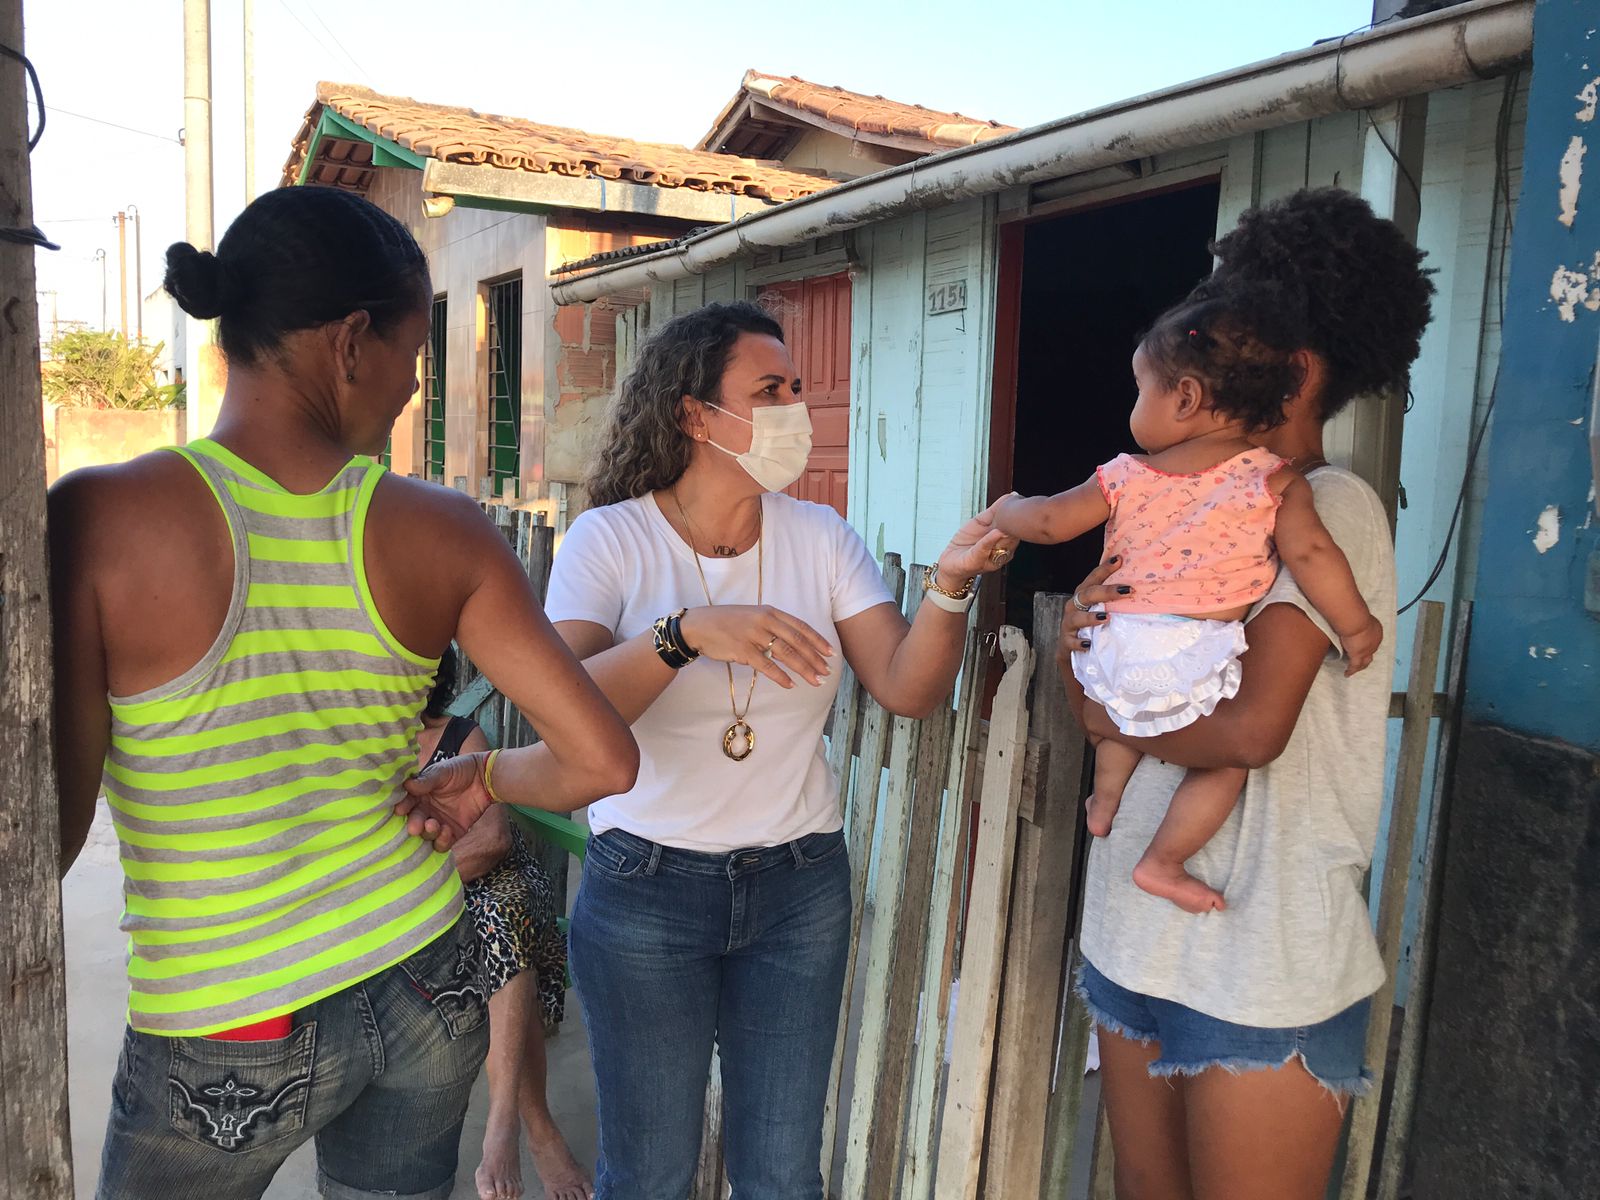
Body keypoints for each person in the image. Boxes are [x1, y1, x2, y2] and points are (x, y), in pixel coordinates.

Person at [49, 185, 637, 1200]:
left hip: (227, 1019)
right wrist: (478, 774)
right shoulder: (442, 527)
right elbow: (600, 761)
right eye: (413, 355)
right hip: (423, 975)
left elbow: (42, 839)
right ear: (350, 341)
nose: (411, 389)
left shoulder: (100, 518)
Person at [401, 299, 1016, 1200]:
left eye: (796, 390)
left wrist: (954, 584)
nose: (794, 410)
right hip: (648, 889)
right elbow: (558, 704)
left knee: (780, 1172)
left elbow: (907, 687)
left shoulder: (821, 538)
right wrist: (683, 634)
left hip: (800, 888)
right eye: (770, 390)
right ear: (695, 414)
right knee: (648, 1171)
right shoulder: (612, 540)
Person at [1058, 188, 1434, 1200]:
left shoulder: (1327, 510)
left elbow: (1251, 727)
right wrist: (1081, 653)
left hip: (1259, 955)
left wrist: (1103, 710)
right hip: (1139, 934)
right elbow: (1109, 662)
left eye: (1219, 348)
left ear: (1295, 370)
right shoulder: (1177, 499)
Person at [991, 285, 1382, 914]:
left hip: (1118, 644)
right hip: (1195, 652)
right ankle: (1164, 860)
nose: (1134, 407)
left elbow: (1049, 523)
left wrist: (1009, 509)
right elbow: (1311, 558)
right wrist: (1357, 627)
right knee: (1220, 769)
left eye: (1139, 389)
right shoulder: (1273, 482)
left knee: (1127, 725)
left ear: (1187, 398)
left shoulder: (1124, 474)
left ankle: (1106, 799)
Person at [415, 649, 592, 1200]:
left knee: (499, 916)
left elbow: (492, 842)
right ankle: (535, 1127)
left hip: (491, 883)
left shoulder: (463, 737)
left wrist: (413, 889)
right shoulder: (358, 748)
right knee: (495, 935)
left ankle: (501, 1128)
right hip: (420, 906)